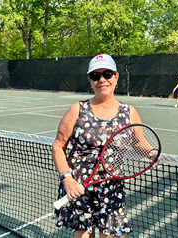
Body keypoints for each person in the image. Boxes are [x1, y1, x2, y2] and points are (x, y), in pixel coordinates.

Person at [52, 54, 144, 238]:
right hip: (78, 189)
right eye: (96, 76)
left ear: (116, 77)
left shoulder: (129, 112)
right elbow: (58, 145)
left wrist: (151, 153)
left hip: (112, 190)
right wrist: (67, 179)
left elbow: (139, 141)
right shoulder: (77, 109)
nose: (102, 79)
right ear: (90, 80)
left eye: (107, 74)